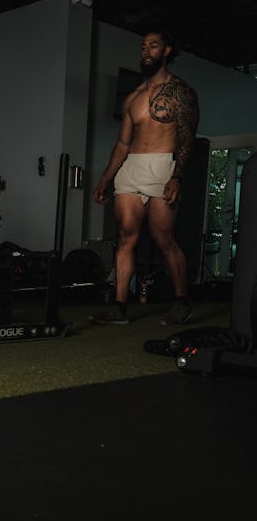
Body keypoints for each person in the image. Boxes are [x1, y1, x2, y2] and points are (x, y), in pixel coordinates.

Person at [89, 29, 199, 326]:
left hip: (163, 166)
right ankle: (120, 307)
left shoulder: (181, 92)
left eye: (153, 46)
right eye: (143, 46)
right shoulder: (133, 98)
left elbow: (187, 139)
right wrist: (105, 180)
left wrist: (176, 176)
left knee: (164, 239)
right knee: (125, 237)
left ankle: (181, 303)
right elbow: (123, 144)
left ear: (166, 51)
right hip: (131, 169)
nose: (146, 51)